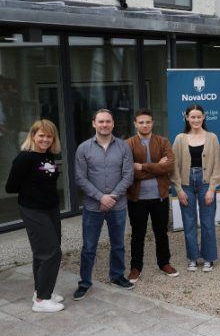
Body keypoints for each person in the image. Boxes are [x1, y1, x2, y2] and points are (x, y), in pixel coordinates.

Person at [73, 109, 134, 300]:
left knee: (118, 244)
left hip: (118, 205)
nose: (104, 125)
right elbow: (80, 178)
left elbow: (128, 175)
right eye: (101, 122)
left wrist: (112, 196)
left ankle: (117, 276)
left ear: (113, 124)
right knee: (89, 246)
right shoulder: (83, 148)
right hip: (93, 207)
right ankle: (84, 282)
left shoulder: (123, 147)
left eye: (108, 121)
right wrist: (101, 197)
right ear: (94, 124)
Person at [5, 120, 64, 312]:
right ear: (33, 135)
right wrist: (33, 189)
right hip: (33, 210)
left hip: (51, 209)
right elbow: (11, 187)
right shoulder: (25, 158)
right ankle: (42, 301)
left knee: (42, 252)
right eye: (41, 135)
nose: (45, 139)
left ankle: (41, 290)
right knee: (51, 252)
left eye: (49, 136)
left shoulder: (47, 155)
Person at [126, 109, 178, 283]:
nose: (145, 125)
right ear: (135, 124)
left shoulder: (163, 142)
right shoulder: (128, 144)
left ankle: (164, 263)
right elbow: (128, 172)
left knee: (161, 232)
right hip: (137, 198)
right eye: (141, 122)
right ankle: (135, 267)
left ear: (152, 123)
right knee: (137, 234)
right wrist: (156, 168)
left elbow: (169, 166)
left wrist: (142, 166)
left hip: (160, 196)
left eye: (148, 122)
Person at [171, 105, 220, 273]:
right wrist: (178, 189)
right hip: (186, 183)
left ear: (203, 117)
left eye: (198, 117)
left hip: (206, 183)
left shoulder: (212, 137)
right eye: (192, 117)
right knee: (189, 222)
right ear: (186, 117)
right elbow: (174, 166)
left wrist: (212, 188)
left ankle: (208, 258)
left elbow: (217, 165)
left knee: (208, 223)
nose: (195, 120)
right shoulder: (180, 138)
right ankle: (192, 258)